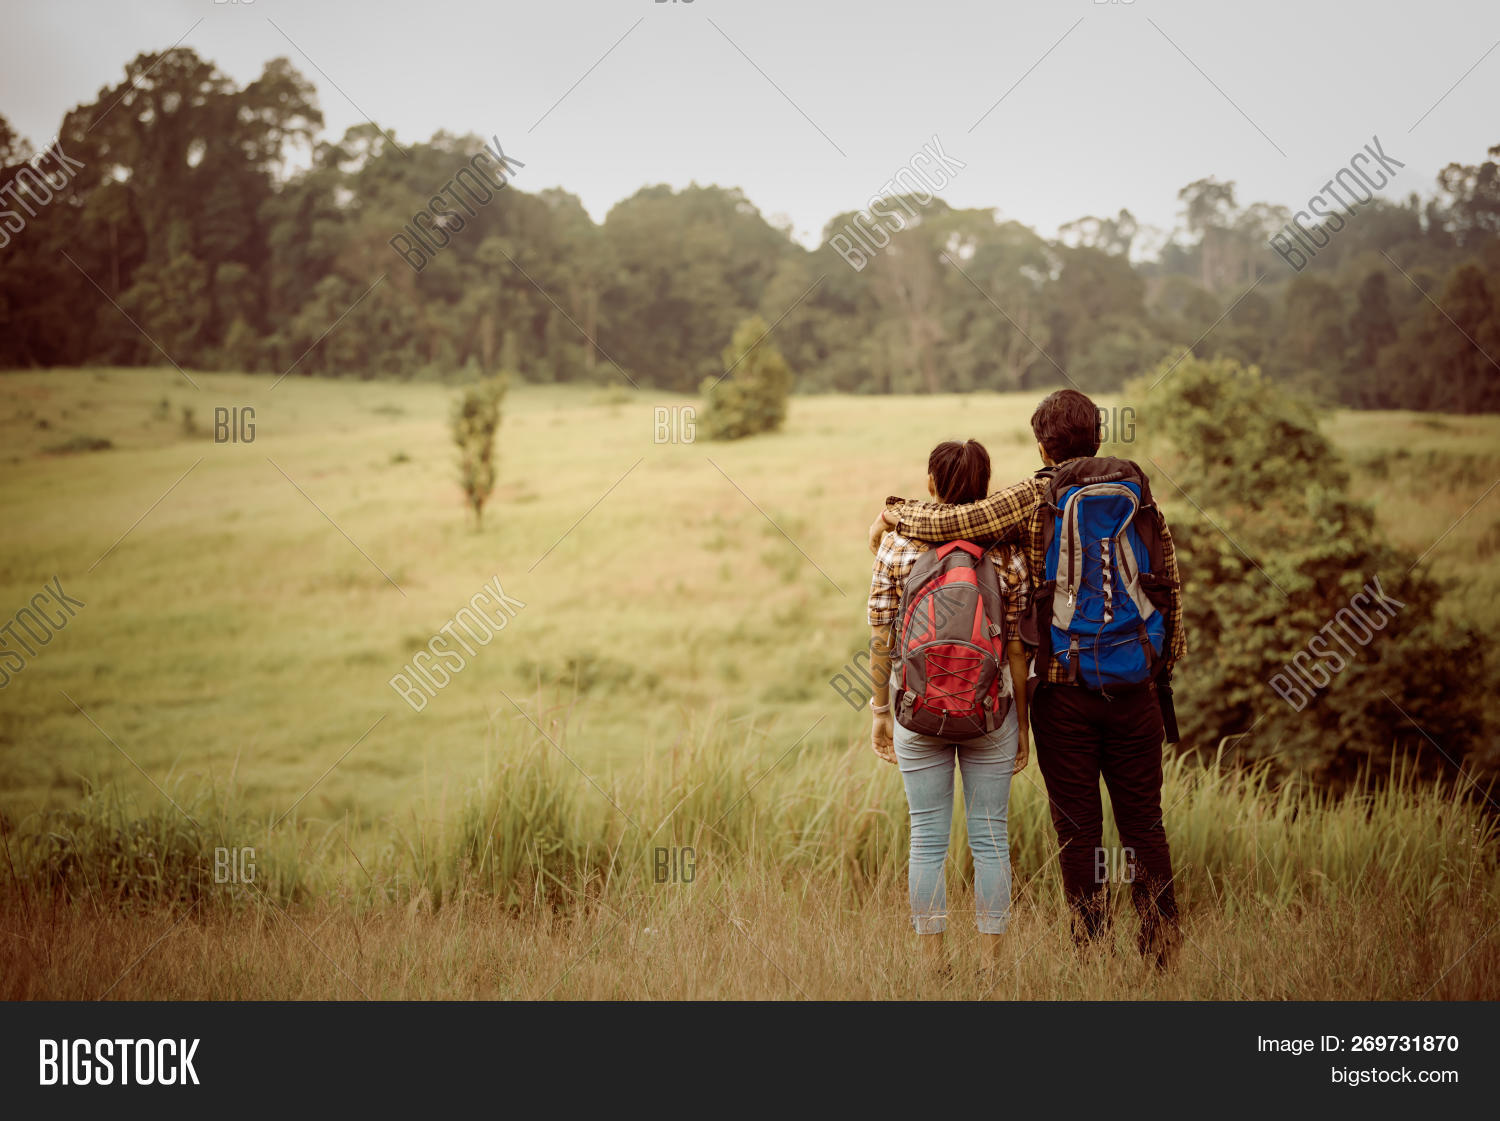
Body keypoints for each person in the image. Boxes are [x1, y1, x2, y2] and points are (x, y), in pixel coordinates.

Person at [869, 390, 1186, 967]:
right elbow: (1168, 587)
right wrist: (1156, 672)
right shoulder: (1140, 497)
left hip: (1064, 693)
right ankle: (1160, 949)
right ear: (1097, 435)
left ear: (1043, 444)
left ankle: (1090, 951)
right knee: (1144, 821)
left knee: (1078, 826)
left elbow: (957, 518)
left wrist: (894, 511)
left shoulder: (1037, 494)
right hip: (1136, 689)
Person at [867, 439, 1030, 970]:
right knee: (990, 839)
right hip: (990, 711)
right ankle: (992, 966)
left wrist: (879, 712)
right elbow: (1016, 647)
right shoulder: (1006, 551)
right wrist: (1022, 725)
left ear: (932, 483)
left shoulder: (898, 547)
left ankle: (932, 964)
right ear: (985, 487)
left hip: (916, 707)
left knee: (927, 839)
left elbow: (880, 640)